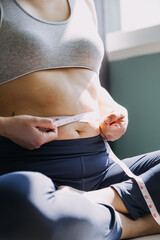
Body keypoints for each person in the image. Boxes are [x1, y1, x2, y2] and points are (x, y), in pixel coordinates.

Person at [0, 0, 160, 239]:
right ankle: (137, 226)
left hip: (103, 167)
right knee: (16, 197)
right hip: (32, 166)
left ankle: (99, 200)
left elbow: (90, 83)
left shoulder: (84, 3)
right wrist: (6, 127)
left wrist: (113, 110)